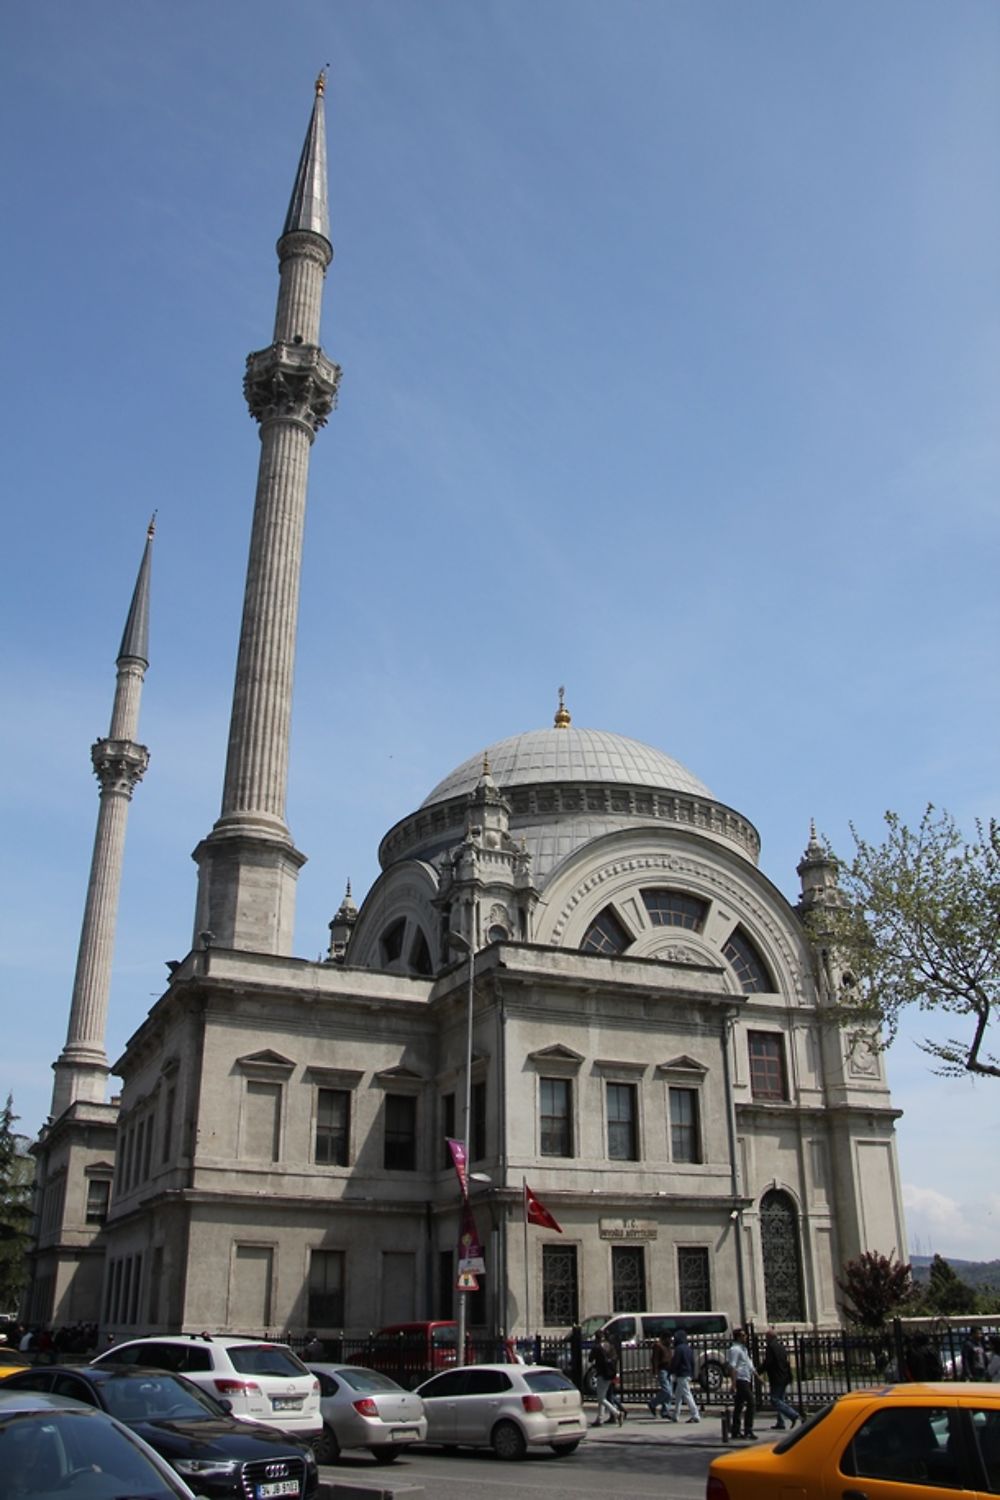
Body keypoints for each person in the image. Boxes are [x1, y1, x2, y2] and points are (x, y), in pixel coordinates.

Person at [760, 1329, 801, 1430]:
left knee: (775, 1400)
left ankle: (793, 1414)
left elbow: (768, 1362)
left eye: (766, 1337)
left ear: (770, 1337)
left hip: (776, 1377)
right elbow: (786, 1363)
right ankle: (781, 1422)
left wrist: (758, 1371)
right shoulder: (781, 1347)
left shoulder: (771, 1347)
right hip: (784, 1376)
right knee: (781, 1399)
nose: (765, 1339)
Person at [727, 1327, 756, 1439]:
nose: (746, 1337)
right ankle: (748, 1429)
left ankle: (735, 1430)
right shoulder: (735, 1349)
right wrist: (733, 1384)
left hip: (746, 1378)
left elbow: (749, 1364)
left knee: (739, 1405)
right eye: (743, 1335)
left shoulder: (743, 1349)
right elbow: (733, 1367)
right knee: (751, 1402)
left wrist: (757, 1376)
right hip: (740, 1380)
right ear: (738, 1337)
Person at [590, 1333, 624, 1427]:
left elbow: (590, 1359)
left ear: (596, 1338)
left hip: (602, 1374)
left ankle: (617, 1413)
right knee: (603, 1396)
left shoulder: (597, 1347)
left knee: (601, 1398)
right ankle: (599, 1419)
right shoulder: (610, 1346)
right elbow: (615, 1358)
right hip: (611, 1373)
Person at [668, 1329, 701, 1423]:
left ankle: (695, 1414)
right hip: (687, 1373)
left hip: (681, 1373)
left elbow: (676, 1362)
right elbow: (692, 1362)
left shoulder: (679, 1349)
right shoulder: (688, 1348)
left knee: (687, 1394)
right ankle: (676, 1415)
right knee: (678, 1395)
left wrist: (671, 1371)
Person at [647, 1334, 673, 1418]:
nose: (670, 1340)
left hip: (669, 1370)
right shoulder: (658, 1346)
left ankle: (665, 1410)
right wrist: (655, 1372)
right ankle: (653, 1403)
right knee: (667, 1391)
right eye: (668, 1338)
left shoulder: (668, 1346)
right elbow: (655, 1359)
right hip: (662, 1370)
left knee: (670, 1392)